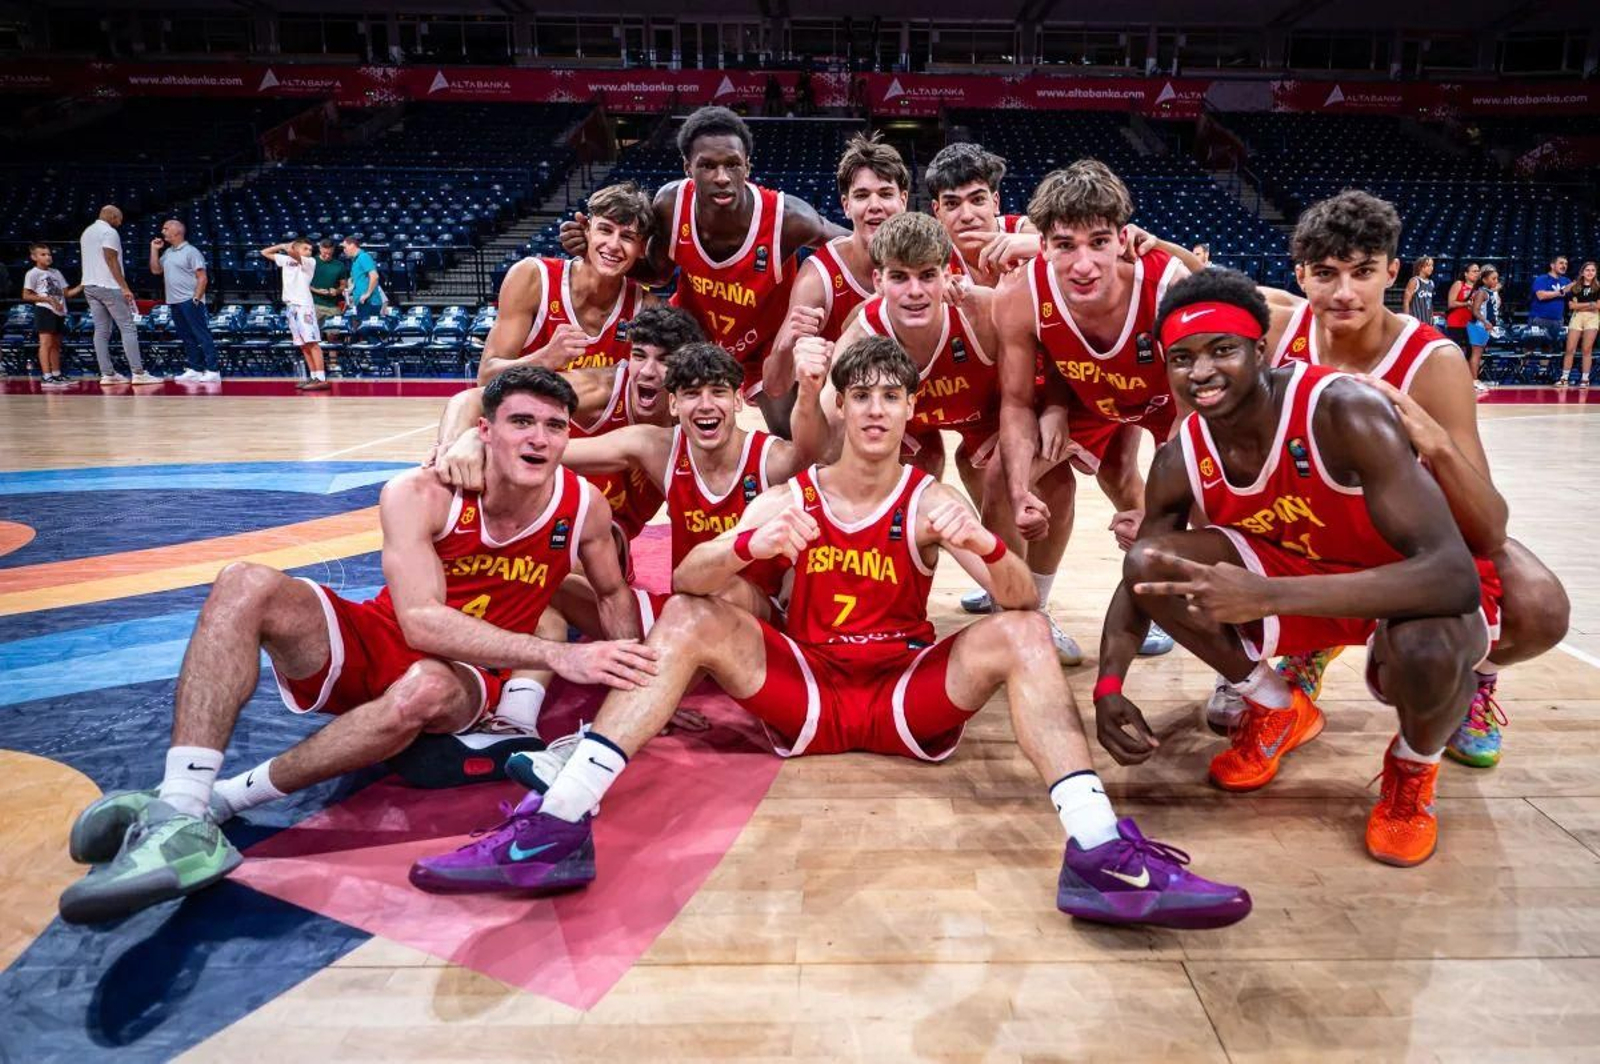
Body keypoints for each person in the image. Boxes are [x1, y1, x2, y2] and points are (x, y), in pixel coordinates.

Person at [410, 336, 1253, 932]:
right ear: (842, 408)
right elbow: (696, 580)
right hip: (806, 692)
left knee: (1028, 638)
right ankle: (557, 826)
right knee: (690, 613)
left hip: (903, 700)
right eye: (864, 396)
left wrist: (979, 540)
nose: (878, 410)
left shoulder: (927, 497)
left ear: (911, 407)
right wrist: (748, 541)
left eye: (894, 395)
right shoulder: (791, 493)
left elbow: (1013, 601)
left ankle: (1101, 854)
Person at [58, 367, 658, 924]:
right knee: (245, 582)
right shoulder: (421, 492)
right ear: (486, 431)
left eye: (555, 426)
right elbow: (420, 622)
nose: (539, 438)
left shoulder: (582, 506)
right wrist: (559, 654)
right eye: (521, 422)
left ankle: (211, 805)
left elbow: (611, 594)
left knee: (426, 684)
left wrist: (629, 680)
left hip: (468, 676)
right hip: (380, 636)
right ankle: (182, 800)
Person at [1099, 268, 1491, 868]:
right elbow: (1143, 576)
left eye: (1222, 350)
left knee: (1437, 649)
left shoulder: (1342, 408)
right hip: (1300, 583)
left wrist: (1266, 595)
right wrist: (1108, 685)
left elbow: (1453, 576)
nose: (1200, 372)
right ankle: (1280, 706)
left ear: (1261, 349)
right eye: (1182, 358)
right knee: (1154, 558)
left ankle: (1413, 771)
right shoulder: (1182, 455)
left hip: (1393, 585)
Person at [1240, 190, 1567, 770]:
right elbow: (1183, 281)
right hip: (1313, 532)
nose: (1344, 292)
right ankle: (1314, 645)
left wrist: (1434, 441)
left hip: (1403, 544)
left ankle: (1474, 679)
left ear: (1392, 272)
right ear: (1302, 276)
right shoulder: (1278, 332)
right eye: (1326, 274)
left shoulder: (1432, 362)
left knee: (1541, 608)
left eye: (1363, 273)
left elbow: (1488, 528)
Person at [991, 160, 1200, 657]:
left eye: (1098, 243)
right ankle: (1026, 614)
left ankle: (1176, 613)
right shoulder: (1019, 294)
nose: (1082, 265)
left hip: (1168, 401)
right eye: (1065, 245)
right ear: (1042, 245)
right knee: (1004, 474)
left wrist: (1158, 522)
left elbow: (1195, 420)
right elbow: (1017, 403)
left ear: (1124, 238)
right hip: (1093, 396)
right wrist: (1022, 491)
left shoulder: (1167, 285)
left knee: (1203, 500)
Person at [559, 106, 847, 434]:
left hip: (765, 342)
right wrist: (594, 250)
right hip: (696, 334)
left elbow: (854, 247)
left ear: (747, 167)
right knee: (661, 424)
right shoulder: (670, 205)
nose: (721, 177)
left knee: (791, 432)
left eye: (732, 165)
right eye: (707, 166)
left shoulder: (789, 219)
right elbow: (658, 273)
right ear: (688, 168)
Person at [763, 132, 910, 398]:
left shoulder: (928, 263)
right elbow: (774, 387)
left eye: (886, 194)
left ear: (904, 200)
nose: (874, 206)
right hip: (842, 408)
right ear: (846, 205)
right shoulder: (819, 275)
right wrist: (786, 344)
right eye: (862, 195)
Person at [478, 184, 656, 383]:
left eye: (627, 237)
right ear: (586, 230)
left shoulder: (646, 308)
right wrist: (543, 359)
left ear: (642, 248)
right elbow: (485, 376)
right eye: (605, 230)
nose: (613, 245)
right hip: (535, 412)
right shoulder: (532, 277)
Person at [924, 142, 1036, 289]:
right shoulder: (929, 258)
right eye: (952, 203)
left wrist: (1043, 247)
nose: (967, 216)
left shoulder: (1029, 232)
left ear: (995, 202)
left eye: (977, 200)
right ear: (937, 211)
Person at [79, 204, 158, 386]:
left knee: (101, 331)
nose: (120, 223)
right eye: (119, 219)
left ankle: (107, 374)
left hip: (90, 286)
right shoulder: (109, 233)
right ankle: (138, 373)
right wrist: (124, 287)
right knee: (128, 327)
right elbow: (110, 259)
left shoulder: (87, 232)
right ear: (113, 216)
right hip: (109, 285)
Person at [150, 219, 222, 384]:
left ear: (177, 231)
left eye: (166, 228)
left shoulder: (192, 251)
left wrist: (196, 298)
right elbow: (155, 270)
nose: (163, 231)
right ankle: (195, 369)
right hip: (174, 301)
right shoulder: (168, 252)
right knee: (186, 336)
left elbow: (202, 277)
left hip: (190, 300)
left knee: (201, 335)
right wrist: (153, 250)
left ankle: (213, 370)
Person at [262, 237, 329, 391]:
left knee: (312, 343)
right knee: (303, 345)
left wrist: (289, 248)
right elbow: (264, 252)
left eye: (310, 249)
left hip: (304, 306)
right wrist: (282, 245)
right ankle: (313, 377)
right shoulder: (286, 260)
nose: (310, 251)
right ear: (298, 248)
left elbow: (294, 254)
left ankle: (321, 378)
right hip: (291, 307)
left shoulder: (310, 261)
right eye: (306, 248)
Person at [21, 242, 80, 386]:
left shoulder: (56, 272)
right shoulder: (33, 273)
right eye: (43, 254)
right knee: (46, 343)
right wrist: (47, 299)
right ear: (34, 257)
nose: (48, 257)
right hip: (44, 310)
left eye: (49, 254)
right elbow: (26, 295)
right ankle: (46, 376)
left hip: (58, 311)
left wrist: (83, 285)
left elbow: (66, 293)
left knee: (55, 345)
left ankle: (56, 374)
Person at [1559, 260, 1600, 388]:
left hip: (1593, 318)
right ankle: (1564, 378)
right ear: (1582, 272)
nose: (1590, 272)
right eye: (1587, 270)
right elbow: (1572, 306)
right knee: (1570, 349)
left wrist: (1582, 306)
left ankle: (1585, 379)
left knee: (1587, 349)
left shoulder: (1598, 287)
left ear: (1596, 272)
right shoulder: (1575, 286)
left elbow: (1598, 306)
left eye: (1593, 270)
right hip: (1577, 317)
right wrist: (1590, 304)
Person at [1467, 265, 1501, 392]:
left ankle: (1475, 379)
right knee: (1476, 355)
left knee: (1478, 354)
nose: (1496, 281)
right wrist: (1485, 322)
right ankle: (1473, 381)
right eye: (1493, 279)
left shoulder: (1491, 292)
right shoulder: (1482, 292)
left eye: (1497, 278)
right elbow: (1475, 311)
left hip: (1484, 328)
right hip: (1478, 326)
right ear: (1484, 280)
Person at [1529, 254, 1572, 345]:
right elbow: (1541, 295)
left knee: (1548, 349)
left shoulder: (1566, 281)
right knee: (1530, 347)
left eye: (1566, 264)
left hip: (1557, 320)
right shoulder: (1542, 279)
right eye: (1561, 263)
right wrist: (1561, 292)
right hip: (1540, 318)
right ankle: (1524, 360)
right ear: (1552, 265)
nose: (1564, 266)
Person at [342, 236, 384, 321]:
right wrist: (349, 290)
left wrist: (367, 294)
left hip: (369, 302)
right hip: (362, 302)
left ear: (352, 245)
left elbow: (374, 276)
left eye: (345, 247)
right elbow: (358, 281)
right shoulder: (355, 261)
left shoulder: (363, 257)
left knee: (368, 331)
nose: (344, 250)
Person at [310, 239, 349, 326]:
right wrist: (317, 291)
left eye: (330, 253)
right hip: (314, 305)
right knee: (313, 335)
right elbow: (304, 284)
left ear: (333, 250)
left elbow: (343, 285)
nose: (327, 256)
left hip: (332, 306)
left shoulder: (339, 265)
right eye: (325, 253)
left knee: (334, 334)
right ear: (320, 249)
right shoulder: (311, 262)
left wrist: (337, 291)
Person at [1444, 262, 1479, 352]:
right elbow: (1451, 303)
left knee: (1471, 351)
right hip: (1456, 323)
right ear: (1466, 274)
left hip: (1471, 324)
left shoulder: (1479, 289)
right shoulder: (1459, 284)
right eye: (1474, 271)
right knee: (1454, 350)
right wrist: (1466, 304)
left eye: (1478, 271)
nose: (1477, 273)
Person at [1403, 255, 1435, 325]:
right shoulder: (1414, 281)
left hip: (1427, 321)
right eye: (1428, 265)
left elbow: (1430, 303)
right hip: (1416, 320)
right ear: (1420, 267)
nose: (1431, 268)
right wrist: (1407, 319)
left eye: (1432, 266)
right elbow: (1406, 301)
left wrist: (1432, 317)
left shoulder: (1431, 283)